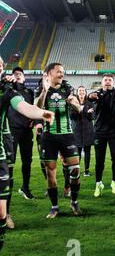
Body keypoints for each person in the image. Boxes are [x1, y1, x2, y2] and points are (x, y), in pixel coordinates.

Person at [0, 56, 54, 256]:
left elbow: (25, 107)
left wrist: (41, 113)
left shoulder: (7, 92)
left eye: (0, 65)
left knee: (1, 212)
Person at [36, 63, 82, 219]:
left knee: (75, 170)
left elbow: (79, 109)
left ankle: (74, 202)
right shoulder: (42, 88)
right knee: (51, 174)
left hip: (67, 135)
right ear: (49, 73)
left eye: (63, 72)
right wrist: (44, 90)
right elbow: (37, 108)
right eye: (59, 72)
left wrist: (74, 103)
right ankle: (54, 207)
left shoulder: (67, 88)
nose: (62, 75)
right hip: (49, 137)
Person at [88, 74, 115, 197]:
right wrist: (89, 96)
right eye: (105, 80)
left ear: (112, 83)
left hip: (114, 132)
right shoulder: (97, 94)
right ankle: (98, 184)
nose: (107, 82)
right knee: (99, 159)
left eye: (110, 80)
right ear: (102, 83)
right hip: (99, 132)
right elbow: (90, 97)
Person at [7, 67, 35, 201]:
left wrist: (33, 121)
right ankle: (7, 189)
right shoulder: (8, 90)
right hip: (12, 129)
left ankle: (25, 187)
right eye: (15, 74)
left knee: (27, 161)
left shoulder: (29, 91)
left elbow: (33, 109)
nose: (17, 75)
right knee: (9, 162)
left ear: (24, 78)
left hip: (26, 131)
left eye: (20, 74)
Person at [71, 86, 95, 177]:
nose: (81, 92)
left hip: (87, 130)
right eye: (80, 90)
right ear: (77, 92)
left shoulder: (90, 103)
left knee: (87, 151)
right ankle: (77, 169)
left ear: (85, 92)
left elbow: (92, 117)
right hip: (77, 130)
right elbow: (72, 116)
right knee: (78, 150)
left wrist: (88, 113)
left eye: (83, 91)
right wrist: (81, 110)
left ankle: (87, 170)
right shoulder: (73, 103)